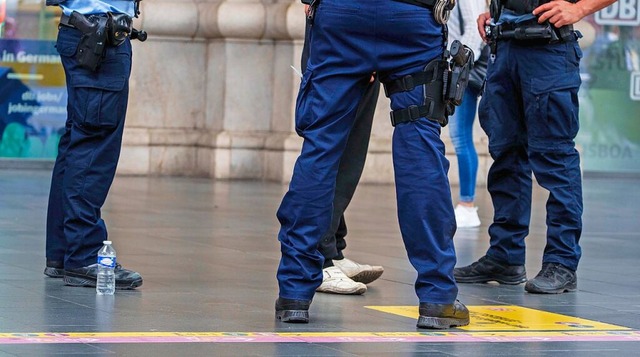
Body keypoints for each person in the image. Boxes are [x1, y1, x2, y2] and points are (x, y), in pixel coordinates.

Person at [275, 0, 469, 329]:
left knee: (321, 147)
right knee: (419, 145)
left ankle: (294, 292)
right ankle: (437, 296)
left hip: (342, 16)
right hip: (412, 18)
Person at [454, 0, 618, 293]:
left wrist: (579, 9)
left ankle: (562, 262)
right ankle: (505, 257)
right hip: (503, 46)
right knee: (506, 156)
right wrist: (496, 11)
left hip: (547, 50)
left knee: (555, 159)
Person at [43, 0, 143, 289]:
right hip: (98, 35)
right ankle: (83, 255)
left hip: (86, 32)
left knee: (79, 140)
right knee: (92, 147)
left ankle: (63, 252)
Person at [300, 6, 384, 296]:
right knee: (327, 151)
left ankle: (331, 249)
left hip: (356, 21)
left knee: (349, 149)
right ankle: (317, 261)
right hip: (341, 23)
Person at [447, 0, 487, 229]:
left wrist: (460, 63)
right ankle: (466, 204)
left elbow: (474, 29)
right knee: (460, 137)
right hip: (460, 69)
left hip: (466, 70)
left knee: (461, 138)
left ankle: (467, 205)